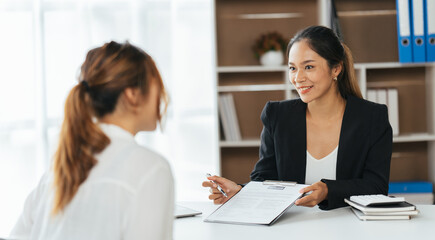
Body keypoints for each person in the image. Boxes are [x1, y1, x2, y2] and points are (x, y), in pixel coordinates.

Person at [203, 25, 392, 210]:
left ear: (336, 69)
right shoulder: (277, 115)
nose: (298, 78)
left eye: (308, 67)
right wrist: (241, 191)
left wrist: (328, 190)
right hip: (290, 227)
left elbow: (376, 186)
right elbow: (265, 179)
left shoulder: (372, 118)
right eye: (292, 68)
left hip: (349, 227)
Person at [10, 41, 174, 239]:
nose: (164, 97)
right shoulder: (151, 169)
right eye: (159, 86)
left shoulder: (61, 167)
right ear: (132, 94)